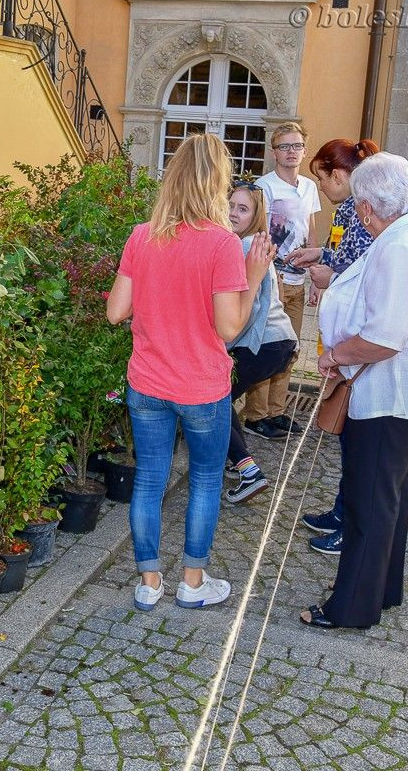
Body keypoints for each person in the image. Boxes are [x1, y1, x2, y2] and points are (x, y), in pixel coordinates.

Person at [106, 134, 276, 612]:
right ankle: (192, 583)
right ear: (216, 183)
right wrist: (255, 275)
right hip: (201, 385)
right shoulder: (223, 244)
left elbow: (116, 311)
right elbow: (228, 327)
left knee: (148, 479)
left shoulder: (143, 235)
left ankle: (149, 583)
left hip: (147, 382)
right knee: (204, 479)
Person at [300, 152, 408, 630]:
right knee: (386, 497)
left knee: (371, 501)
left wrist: (334, 354)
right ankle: (382, 586)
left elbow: (384, 338)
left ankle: (352, 607)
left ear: (368, 207)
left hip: (393, 393)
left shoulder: (398, 245)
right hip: (407, 391)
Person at [286, 138, 380, 556]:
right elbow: (348, 254)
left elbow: (363, 271)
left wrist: (329, 275)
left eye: (322, 180)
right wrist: (321, 253)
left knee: (355, 435)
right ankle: (343, 510)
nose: (321, 189)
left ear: (339, 175)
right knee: (347, 433)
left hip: (358, 337)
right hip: (347, 332)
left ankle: (351, 519)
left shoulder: (363, 209)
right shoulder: (349, 209)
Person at [240, 121, 321, 440]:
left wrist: (316, 272)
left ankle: (276, 411)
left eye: (297, 146)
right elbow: (257, 229)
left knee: (289, 348)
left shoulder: (309, 187)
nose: (291, 152)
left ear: (304, 149)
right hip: (271, 278)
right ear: (274, 152)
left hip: (299, 278)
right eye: (284, 146)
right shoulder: (265, 186)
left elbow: (311, 228)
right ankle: (255, 414)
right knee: (265, 344)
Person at [224, 179, 298, 505]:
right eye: (230, 205)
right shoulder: (256, 243)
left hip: (265, 342)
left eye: (242, 208)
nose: (233, 213)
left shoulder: (244, 246)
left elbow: (249, 306)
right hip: (279, 342)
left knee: (213, 401)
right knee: (222, 401)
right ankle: (235, 460)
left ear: (256, 215)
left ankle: (248, 471)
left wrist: (224, 344)